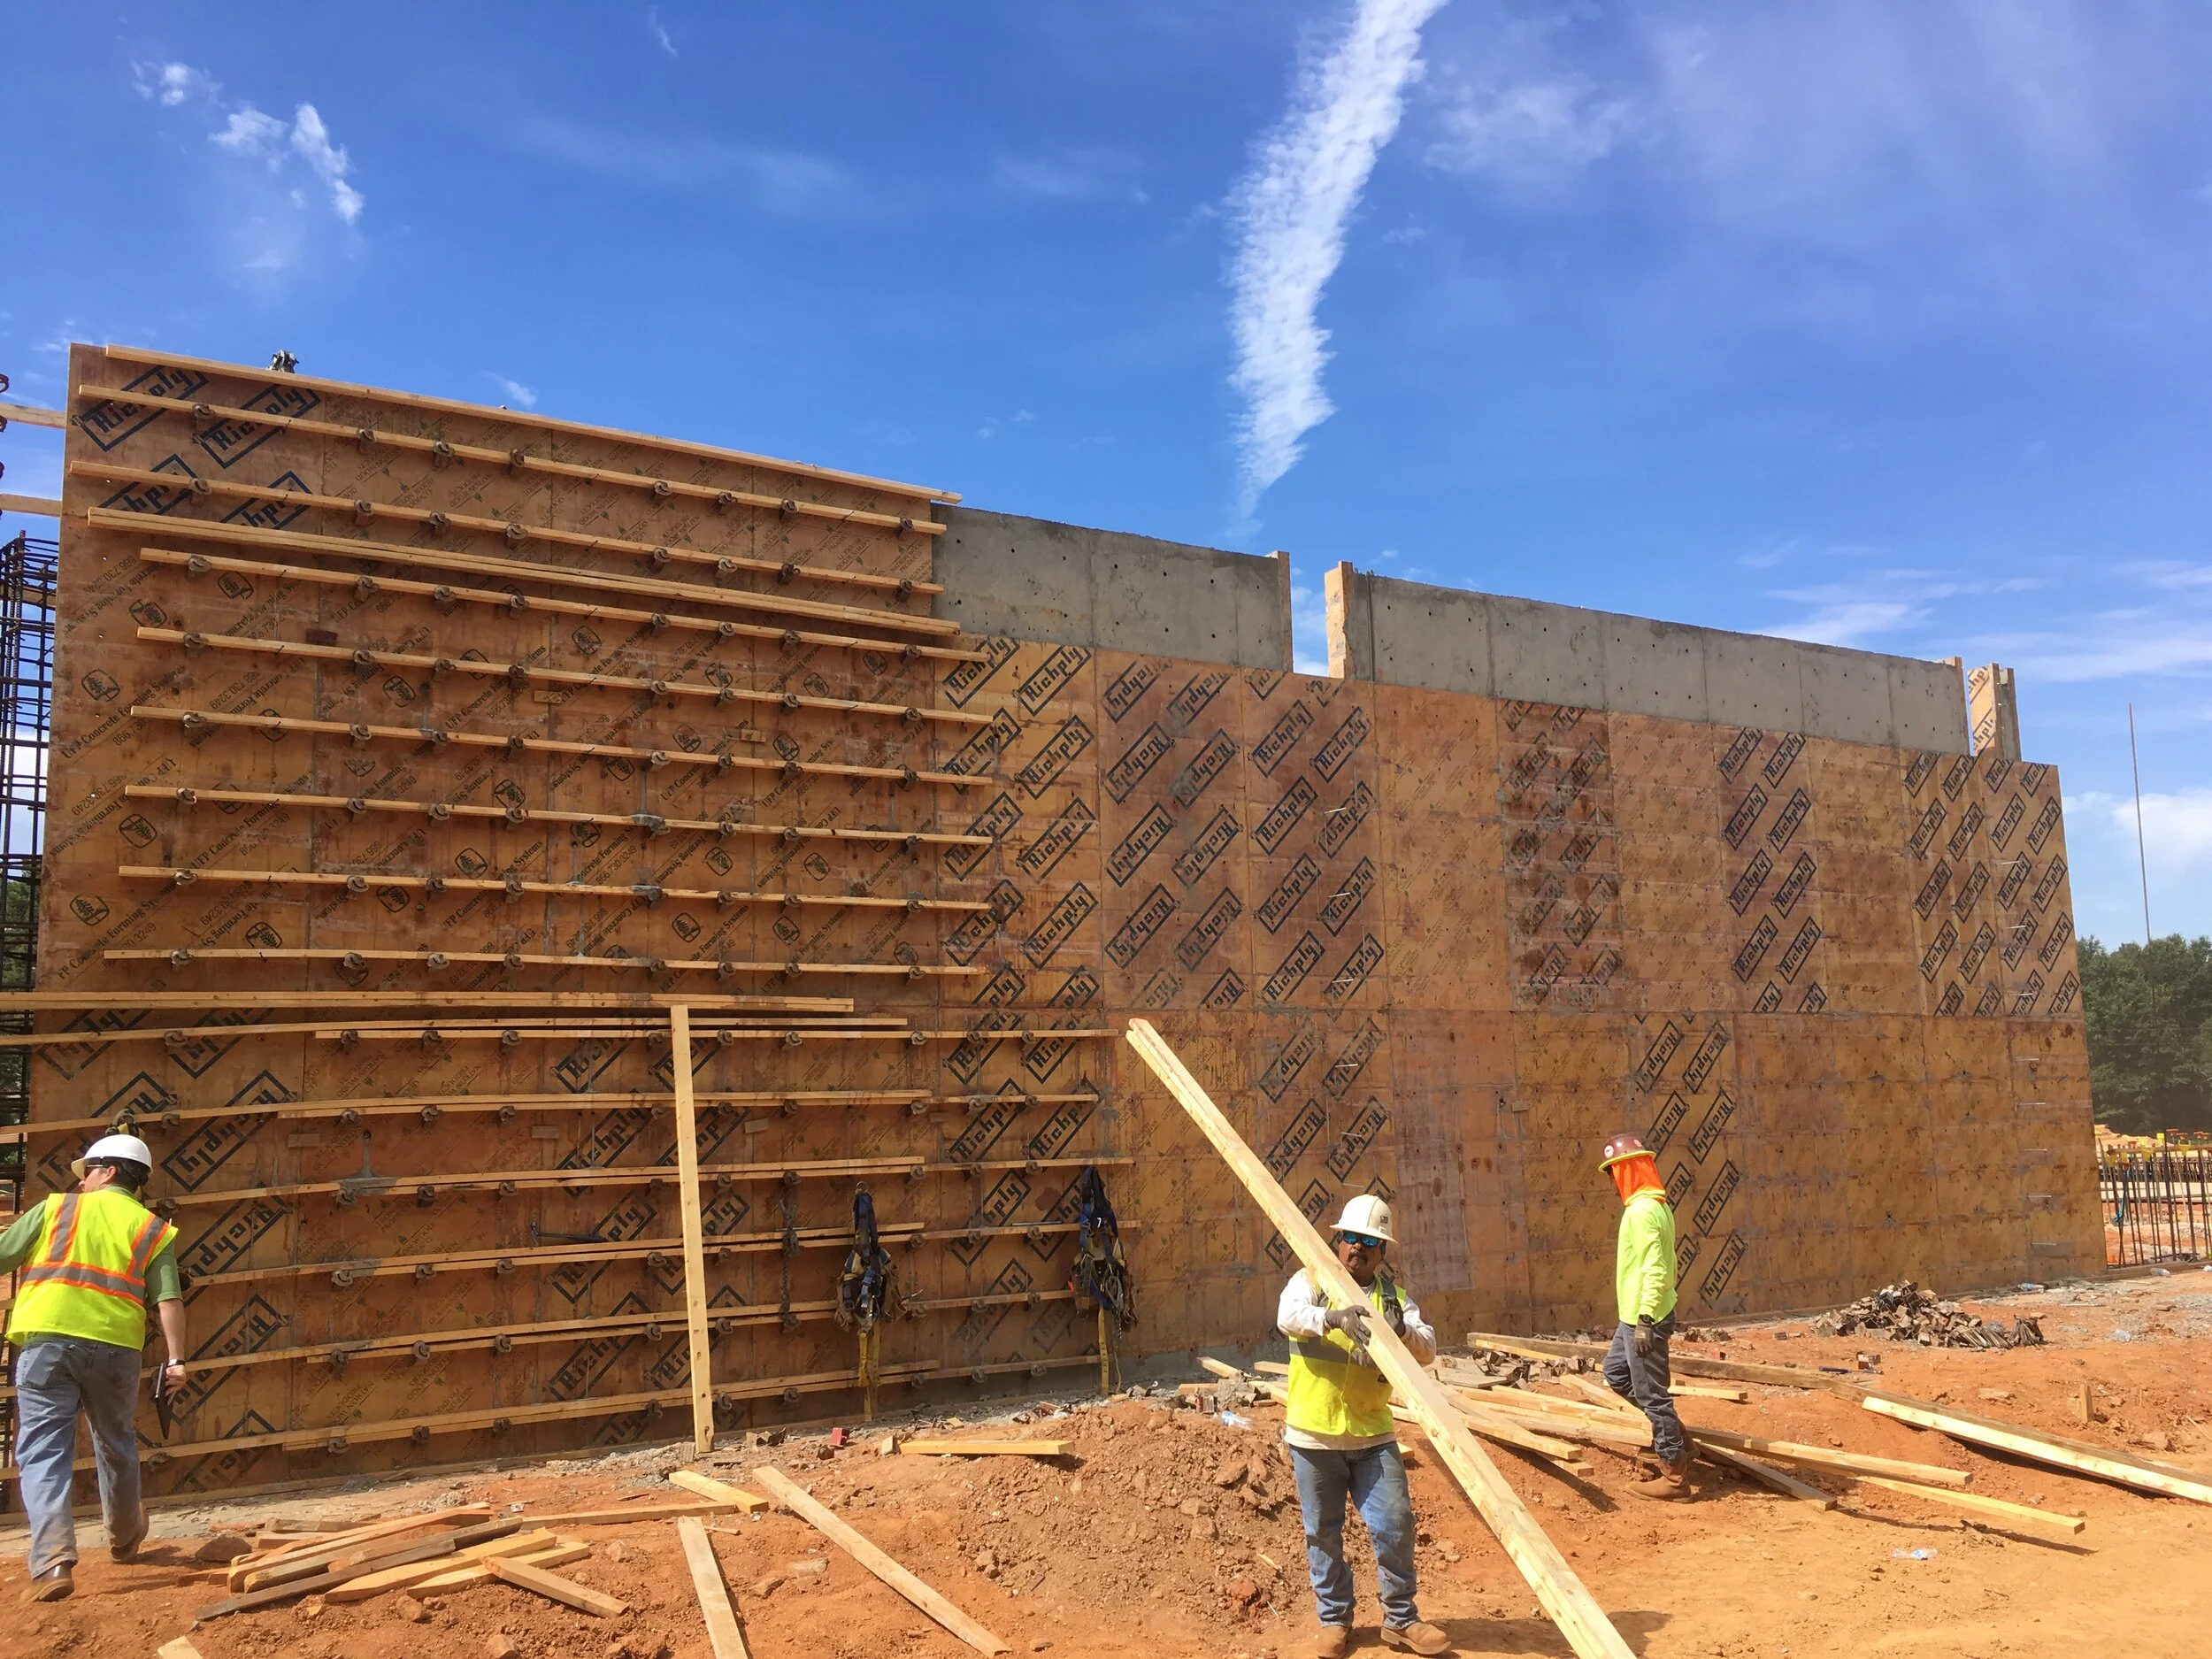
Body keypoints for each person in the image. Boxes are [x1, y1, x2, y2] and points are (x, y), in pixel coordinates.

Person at [0, 1133, 188, 1601]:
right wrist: (177, 1359)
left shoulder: (55, 1209)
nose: (81, 1182)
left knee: (43, 1450)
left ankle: (53, 1562)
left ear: (105, 1171)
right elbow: (168, 1298)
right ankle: (125, 1539)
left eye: (86, 1173)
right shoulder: (152, 1229)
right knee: (116, 1442)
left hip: (48, 1341)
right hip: (115, 1350)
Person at [1278, 1194, 1451, 1658]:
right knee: (1323, 1532)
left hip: (1373, 1434)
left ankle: (1401, 1619)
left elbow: (1429, 1349)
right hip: (1314, 1435)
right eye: (1350, 1238)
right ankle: (1335, 1621)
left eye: (1369, 1242)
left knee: (1395, 1524)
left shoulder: (1393, 1300)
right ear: (1338, 1242)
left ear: (1382, 1253)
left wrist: (1404, 1332)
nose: (1358, 1247)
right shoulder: (1310, 1283)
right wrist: (1329, 1317)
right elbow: (1286, 1315)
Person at [1599, 1131, 1691, 1500]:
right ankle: (1678, 1440)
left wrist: (1646, 1320)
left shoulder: (1641, 1211)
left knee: (1652, 1393)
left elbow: (1655, 1267)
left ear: (1626, 1171)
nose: (1611, 1181)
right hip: (1635, 1315)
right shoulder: (1657, 1205)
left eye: (1613, 1172)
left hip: (1643, 1317)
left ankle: (1674, 1476)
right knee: (1615, 1374)